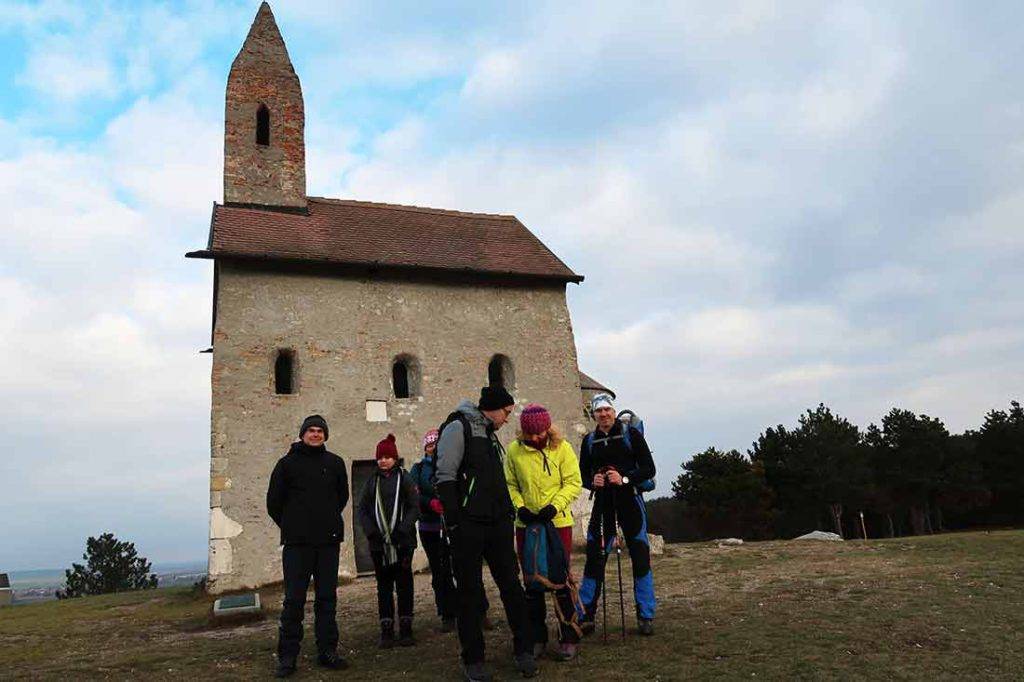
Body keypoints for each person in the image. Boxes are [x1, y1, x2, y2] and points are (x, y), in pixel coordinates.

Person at [435, 386, 538, 681]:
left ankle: (524, 650)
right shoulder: (458, 427)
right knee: (468, 593)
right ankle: (473, 659)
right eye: (506, 412)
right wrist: (455, 524)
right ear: (492, 408)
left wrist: (507, 513)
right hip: (468, 525)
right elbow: (446, 476)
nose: (508, 418)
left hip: (498, 524)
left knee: (512, 587)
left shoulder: (490, 435)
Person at [266, 414, 350, 677]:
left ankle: (327, 651)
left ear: (325, 435)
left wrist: (326, 521)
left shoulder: (335, 464)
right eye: (311, 430)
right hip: (297, 545)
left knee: (327, 599)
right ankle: (288, 657)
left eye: (320, 431)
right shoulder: (286, 464)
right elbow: (274, 503)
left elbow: (342, 497)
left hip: (327, 543)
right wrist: (293, 525)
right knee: (294, 601)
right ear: (303, 434)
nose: (315, 434)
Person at [504, 404, 583, 661]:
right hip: (527, 525)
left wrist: (555, 506)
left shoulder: (562, 448)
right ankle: (537, 637)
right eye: (530, 434)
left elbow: (573, 482)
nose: (536, 438)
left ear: (548, 429)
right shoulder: (515, 451)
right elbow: (510, 484)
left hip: (556, 523)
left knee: (560, 580)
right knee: (533, 584)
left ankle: (568, 636)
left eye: (540, 433)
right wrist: (520, 507)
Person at [578, 393, 657, 636]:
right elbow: (582, 475)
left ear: (614, 412)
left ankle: (645, 615)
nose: (603, 414)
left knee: (640, 556)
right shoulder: (589, 440)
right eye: (598, 411)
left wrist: (623, 478)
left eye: (607, 410)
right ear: (594, 415)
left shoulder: (630, 435)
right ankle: (585, 615)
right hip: (603, 504)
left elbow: (648, 468)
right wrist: (594, 481)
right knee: (594, 558)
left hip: (630, 501)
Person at [357, 434, 420, 648]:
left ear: (395, 458)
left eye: (387, 457)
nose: (383, 461)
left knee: (404, 583)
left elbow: (414, 506)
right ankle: (386, 629)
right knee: (383, 585)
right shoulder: (371, 481)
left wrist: (403, 529)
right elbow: (363, 509)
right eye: (380, 457)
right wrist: (371, 531)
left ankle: (406, 627)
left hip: (402, 542)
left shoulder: (405, 478)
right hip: (379, 544)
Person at [410, 428, 459, 632]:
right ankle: (446, 613)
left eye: (437, 444)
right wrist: (429, 503)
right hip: (430, 527)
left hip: (453, 525)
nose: (434, 448)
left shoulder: (452, 464)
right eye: (430, 445)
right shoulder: (418, 469)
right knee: (440, 572)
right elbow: (412, 495)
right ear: (426, 448)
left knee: (460, 568)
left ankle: (469, 609)